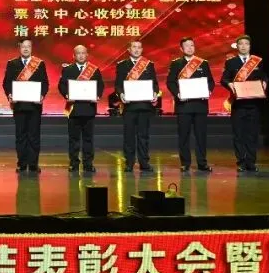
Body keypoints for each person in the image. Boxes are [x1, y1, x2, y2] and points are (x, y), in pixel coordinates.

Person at [167, 37, 216, 173]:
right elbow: (170, 82)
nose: (190, 48)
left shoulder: (203, 63)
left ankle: (202, 163)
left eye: (192, 45)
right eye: (187, 46)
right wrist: (178, 94)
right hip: (184, 105)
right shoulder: (176, 64)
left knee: (201, 136)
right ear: (181, 48)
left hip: (200, 105)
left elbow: (211, 82)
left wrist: (208, 91)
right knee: (184, 135)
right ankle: (185, 163)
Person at [3, 38, 49, 173]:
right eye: (23, 46)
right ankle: (22, 164)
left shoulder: (39, 64)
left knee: (34, 135)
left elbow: (45, 83)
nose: (26, 48)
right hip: (19, 106)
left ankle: (33, 164)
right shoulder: (12, 63)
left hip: (34, 106)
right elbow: (6, 83)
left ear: (31, 48)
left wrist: (42, 95)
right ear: (19, 48)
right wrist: (10, 95)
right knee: (21, 135)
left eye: (28, 46)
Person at [221, 35, 265, 173]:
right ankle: (241, 162)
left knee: (252, 134)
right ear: (237, 46)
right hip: (238, 104)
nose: (244, 46)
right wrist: (229, 84)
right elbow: (224, 79)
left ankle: (251, 162)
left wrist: (265, 82)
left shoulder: (257, 61)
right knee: (238, 134)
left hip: (254, 104)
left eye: (246, 43)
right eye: (241, 44)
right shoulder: (231, 62)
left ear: (250, 46)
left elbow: (264, 76)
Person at [114, 40, 160, 173]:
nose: (136, 49)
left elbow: (155, 84)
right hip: (129, 106)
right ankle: (129, 163)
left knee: (143, 136)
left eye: (139, 47)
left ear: (142, 49)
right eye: (134, 47)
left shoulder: (149, 64)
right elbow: (118, 84)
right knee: (129, 136)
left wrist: (155, 93)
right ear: (129, 49)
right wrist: (121, 94)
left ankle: (144, 163)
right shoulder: (122, 65)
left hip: (145, 106)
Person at [59, 44, 105, 173]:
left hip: (89, 109)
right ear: (74, 55)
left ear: (87, 55)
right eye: (78, 53)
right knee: (73, 139)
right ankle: (74, 163)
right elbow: (62, 85)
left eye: (83, 53)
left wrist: (97, 95)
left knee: (88, 139)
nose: (81, 55)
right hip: (73, 108)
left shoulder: (94, 70)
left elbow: (100, 85)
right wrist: (66, 95)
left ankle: (88, 164)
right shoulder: (68, 69)